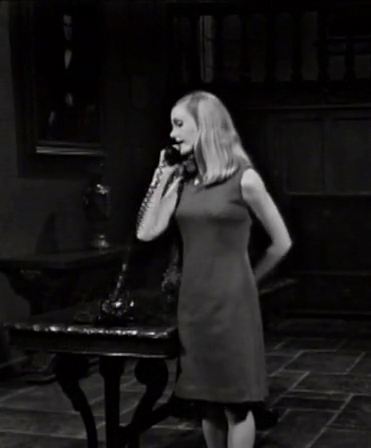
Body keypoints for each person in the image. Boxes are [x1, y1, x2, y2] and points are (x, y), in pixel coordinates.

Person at [136, 90, 292, 448]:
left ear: (204, 126)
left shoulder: (244, 179)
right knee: (206, 402)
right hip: (193, 304)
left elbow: (281, 242)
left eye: (179, 124)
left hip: (232, 305)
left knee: (237, 405)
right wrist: (162, 174)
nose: (172, 133)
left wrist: (250, 281)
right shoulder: (184, 181)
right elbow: (146, 232)